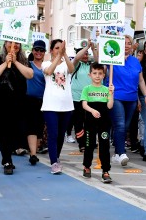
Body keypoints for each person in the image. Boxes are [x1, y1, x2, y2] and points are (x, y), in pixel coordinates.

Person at [0, 41, 34, 175]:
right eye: (10, 43)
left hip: (19, 101)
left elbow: (30, 74)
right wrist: (6, 62)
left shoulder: (24, 60)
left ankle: (12, 152)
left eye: (17, 44)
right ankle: (7, 160)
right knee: (4, 131)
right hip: (1, 101)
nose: (14, 45)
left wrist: (15, 62)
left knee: (17, 130)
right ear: (4, 44)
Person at [110, 35, 146, 166]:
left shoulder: (135, 61)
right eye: (123, 43)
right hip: (116, 97)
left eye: (128, 43)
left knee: (124, 127)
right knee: (120, 125)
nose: (126, 45)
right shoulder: (112, 59)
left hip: (132, 98)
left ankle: (116, 153)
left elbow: (141, 80)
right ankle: (121, 153)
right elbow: (100, 61)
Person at [42, 39, 75, 174]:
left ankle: (56, 157)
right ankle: (54, 162)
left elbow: (72, 69)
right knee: (53, 134)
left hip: (66, 105)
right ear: (51, 50)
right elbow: (49, 72)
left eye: (60, 48)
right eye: (56, 48)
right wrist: (58, 56)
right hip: (50, 105)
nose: (58, 50)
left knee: (61, 135)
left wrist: (64, 55)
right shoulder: (46, 63)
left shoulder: (66, 64)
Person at [81, 62, 114, 183]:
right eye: (94, 73)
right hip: (90, 121)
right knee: (89, 144)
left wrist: (111, 93)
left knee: (105, 145)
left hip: (104, 122)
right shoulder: (87, 89)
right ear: (90, 75)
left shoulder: (106, 89)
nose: (97, 76)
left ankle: (105, 171)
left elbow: (110, 106)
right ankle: (87, 166)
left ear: (104, 75)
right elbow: (84, 104)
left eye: (100, 73)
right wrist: (92, 110)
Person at [70, 41, 96, 153]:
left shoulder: (91, 66)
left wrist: (93, 48)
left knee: (90, 122)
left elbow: (99, 60)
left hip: (91, 98)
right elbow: (76, 58)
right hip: (77, 98)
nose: (86, 55)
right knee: (79, 122)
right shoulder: (75, 64)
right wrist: (86, 48)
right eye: (84, 53)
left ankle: (90, 141)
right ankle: (82, 143)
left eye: (87, 54)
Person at [26, 40, 47, 165]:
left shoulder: (48, 66)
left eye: (41, 50)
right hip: (29, 100)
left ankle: (35, 148)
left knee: (40, 128)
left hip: (45, 100)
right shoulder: (28, 64)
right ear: (33, 51)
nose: (39, 52)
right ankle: (33, 154)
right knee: (32, 127)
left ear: (44, 52)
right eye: (36, 50)